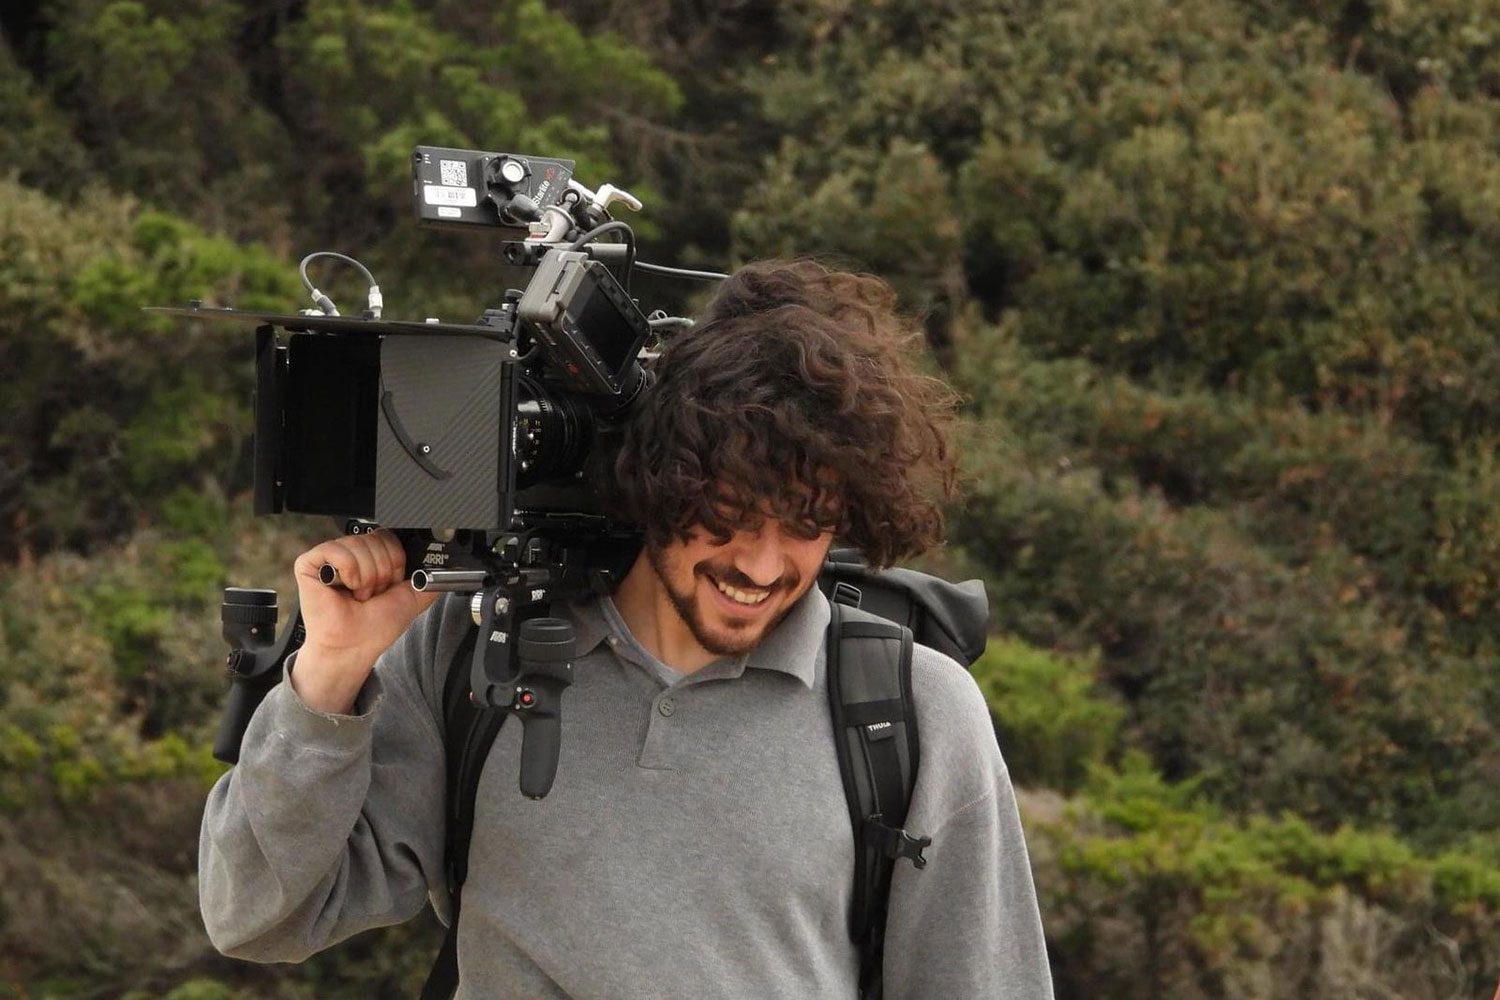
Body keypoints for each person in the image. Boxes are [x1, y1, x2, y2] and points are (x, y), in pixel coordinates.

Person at [198, 259, 1055, 998]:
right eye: (728, 513)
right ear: (657, 479)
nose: (761, 565)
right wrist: (329, 678)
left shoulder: (911, 713)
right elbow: (258, 917)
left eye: (805, 522)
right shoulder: (476, 650)